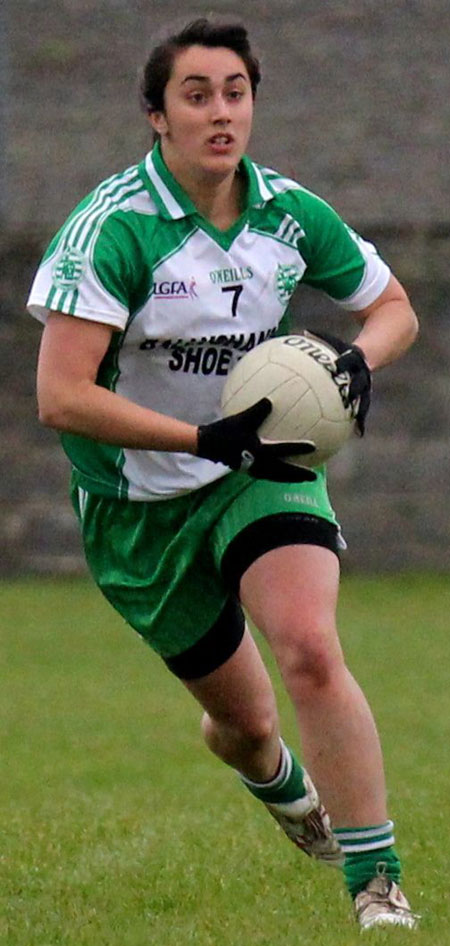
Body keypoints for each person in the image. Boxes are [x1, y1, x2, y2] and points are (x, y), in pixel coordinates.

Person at [28, 18, 419, 931]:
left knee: (311, 650)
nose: (220, 112)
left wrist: (356, 362)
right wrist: (198, 440)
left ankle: (376, 882)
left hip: (261, 469)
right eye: (196, 94)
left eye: (235, 92)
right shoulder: (114, 229)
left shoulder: (289, 213)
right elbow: (59, 396)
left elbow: (393, 308)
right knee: (241, 724)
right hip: (138, 505)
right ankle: (280, 784)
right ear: (156, 116)